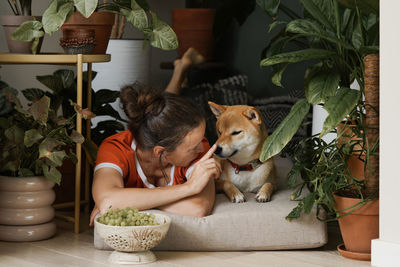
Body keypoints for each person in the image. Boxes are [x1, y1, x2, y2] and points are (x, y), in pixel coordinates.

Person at [89, 48, 221, 225]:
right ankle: (181, 68)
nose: (202, 148)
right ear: (161, 152)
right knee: (161, 115)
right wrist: (190, 187)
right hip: (163, 137)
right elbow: (109, 201)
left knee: (164, 109)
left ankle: (181, 69)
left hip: (166, 132)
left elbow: (196, 208)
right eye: (193, 147)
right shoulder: (116, 147)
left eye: (200, 140)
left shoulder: (198, 146)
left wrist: (128, 202)